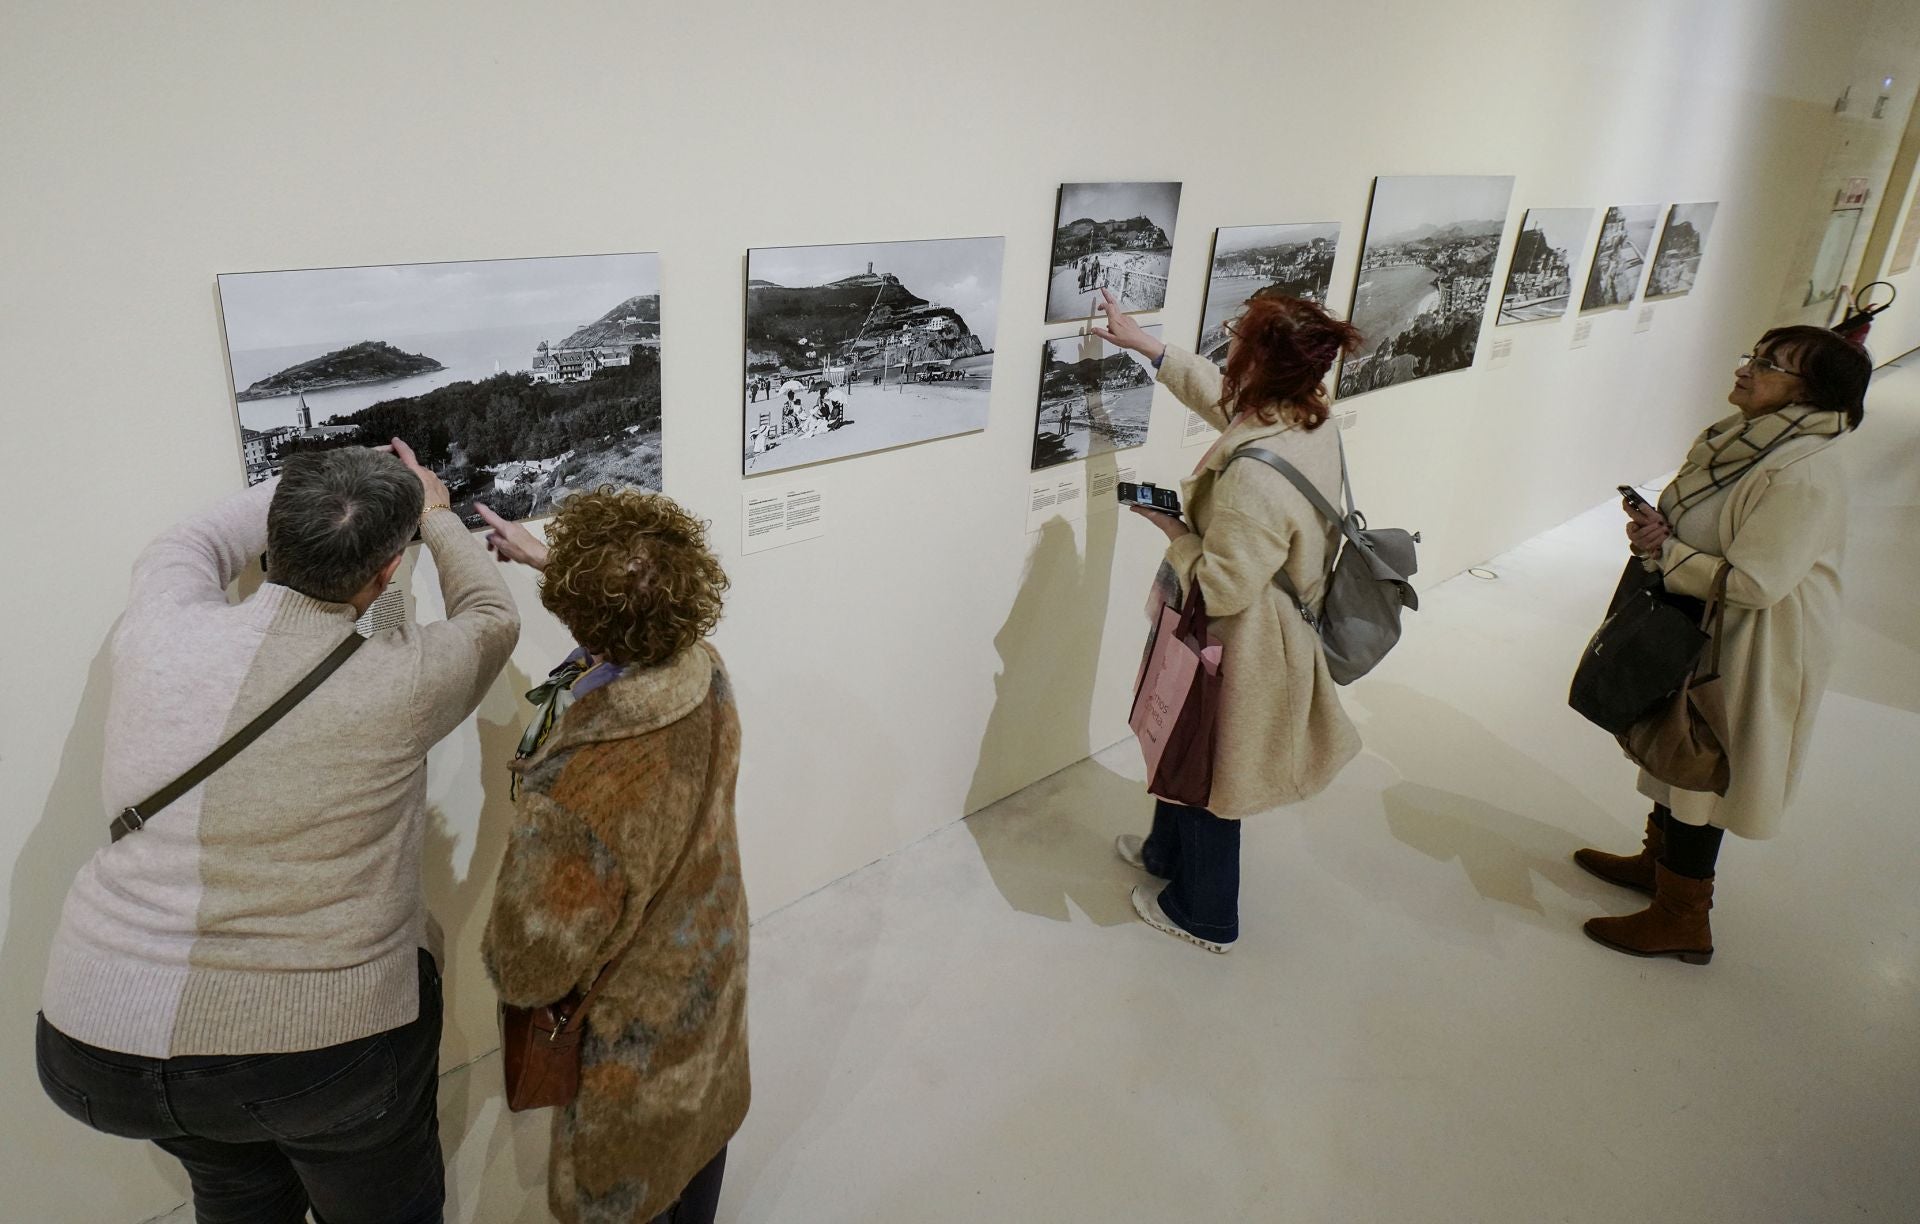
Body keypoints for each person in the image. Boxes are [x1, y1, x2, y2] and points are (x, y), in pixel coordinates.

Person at [36, 441, 520, 1224]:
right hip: (316, 1054)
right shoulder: (404, 678)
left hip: (96, 1048)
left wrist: (325, 493)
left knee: (238, 1198)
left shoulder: (156, 627)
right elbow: (492, 615)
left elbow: (184, 541)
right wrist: (431, 512)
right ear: (391, 570)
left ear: (273, 538)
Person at [474, 489, 748, 1224]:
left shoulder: (582, 788)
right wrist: (559, 569)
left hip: (633, 1030)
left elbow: (529, 967)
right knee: (694, 1145)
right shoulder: (703, 673)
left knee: (635, 1187)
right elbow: (631, 634)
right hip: (706, 972)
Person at [1576, 326, 1871, 963]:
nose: (1748, 369)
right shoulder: (1740, 441)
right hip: (1701, 618)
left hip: (1750, 640)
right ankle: (1658, 865)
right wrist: (1664, 532)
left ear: (1813, 394)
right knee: (1673, 740)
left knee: (1705, 761)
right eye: (1754, 356)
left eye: (1771, 365)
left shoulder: (1802, 472)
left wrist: (1667, 550)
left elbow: (1756, 583)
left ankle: (1684, 916)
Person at [1093, 287, 1365, 953]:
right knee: (1181, 739)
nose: (1230, 346)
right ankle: (1164, 855)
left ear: (1261, 363)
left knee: (1212, 769)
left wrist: (1171, 530)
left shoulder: (1255, 480)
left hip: (1246, 643)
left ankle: (1206, 913)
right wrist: (1146, 346)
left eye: (1238, 340)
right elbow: (1228, 405)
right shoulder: (1306, 419)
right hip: (1249, 627)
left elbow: (1221, 586)